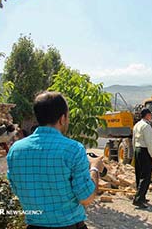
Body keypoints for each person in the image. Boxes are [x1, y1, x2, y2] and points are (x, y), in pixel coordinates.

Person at [7, 91, 104, 228]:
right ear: (62, 118)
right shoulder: (73, 149)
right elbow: (86, 198)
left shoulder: (15, 150)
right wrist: (94, 168)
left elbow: (17, 190)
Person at [132, 108, 152, 209]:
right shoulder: (146, 126)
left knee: (139, 174)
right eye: (150, 115)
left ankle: (141, 196)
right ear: (147, 115)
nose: (151, 116)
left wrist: (134, 151)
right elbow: (149, 142)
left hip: (137, 149)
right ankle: (138, 199)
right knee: (146, 176)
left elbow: (133, 139)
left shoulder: (137, 125)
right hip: (144, 151)